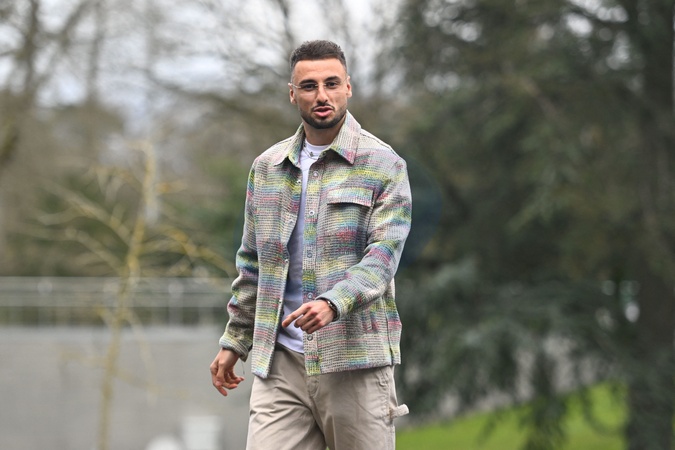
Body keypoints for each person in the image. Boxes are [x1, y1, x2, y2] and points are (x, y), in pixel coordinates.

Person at [210, 39, 412, 450]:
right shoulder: (266, 168)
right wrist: (236, 340)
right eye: (309, 86)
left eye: (331, 83)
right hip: (280, 363)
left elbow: (382, 257)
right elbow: (252, 264)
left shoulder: (384, 165)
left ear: (348, 87)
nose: (322, 95)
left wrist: (333, 303)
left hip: (355, 360)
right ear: (292, 93)